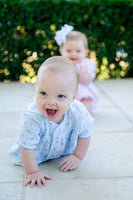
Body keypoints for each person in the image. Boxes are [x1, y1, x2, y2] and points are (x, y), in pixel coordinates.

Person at [9, 56, 93, 188]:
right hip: (35, 154)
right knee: (28, 147)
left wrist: (77, 156)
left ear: (72, 98)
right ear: (36, 90)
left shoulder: (78, 112)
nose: (51, 102)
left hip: (63, 149)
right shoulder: (33, 117)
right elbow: (27, 148)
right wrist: (33, 172)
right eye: (43, 93)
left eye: (61, 96)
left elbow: (85, 134)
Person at [55, 24, 99, 113]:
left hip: (82, 93)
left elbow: (89, 80)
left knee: (86, 103)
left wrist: (80, 76)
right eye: (68, 51)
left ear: (86, 52)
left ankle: (84, 114)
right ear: (61, 51)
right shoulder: (61, 64)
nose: (73, 54)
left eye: (78, 51)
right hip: (65, 93)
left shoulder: (86, 64)